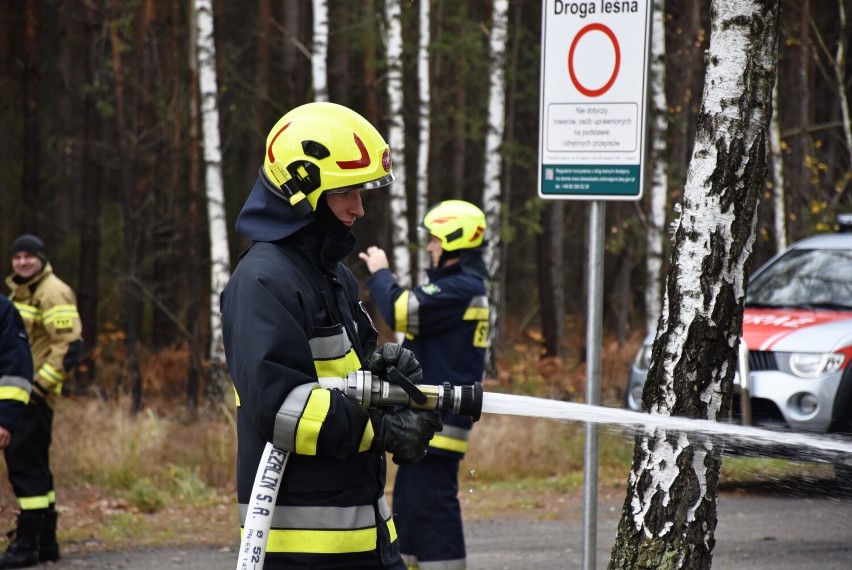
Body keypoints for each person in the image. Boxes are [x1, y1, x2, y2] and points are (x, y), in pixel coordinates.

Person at [220, 101, 443, 569]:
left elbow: (343, 378)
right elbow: (279, 406)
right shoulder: (262, 282)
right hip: (303, 553)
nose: (358, 208)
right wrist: (376, 426)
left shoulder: (331, 275)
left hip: (366, 538)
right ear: (302, 190)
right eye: (347, 191)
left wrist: (385, 372)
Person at [359, 199, 490, 570]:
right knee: (411, 511)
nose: (430, 247)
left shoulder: (460, 288)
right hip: (431, 418)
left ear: (453, 241)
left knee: (432, 511)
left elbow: (402, 310)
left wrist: (381, 273)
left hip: (439, 423)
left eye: (434, 239)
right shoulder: (462, 287)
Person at [2, 234, 82, 568]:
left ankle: (27, 547)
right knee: (37, 469)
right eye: (17, 257)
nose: (22, 262)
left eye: (29, 257)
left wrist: (37, 389)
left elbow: (68, 347)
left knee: (26, 468)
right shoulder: (21, 292)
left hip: (31, 397)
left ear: (42, 259)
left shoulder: (52, 291)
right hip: (25, 393)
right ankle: (45, 542)